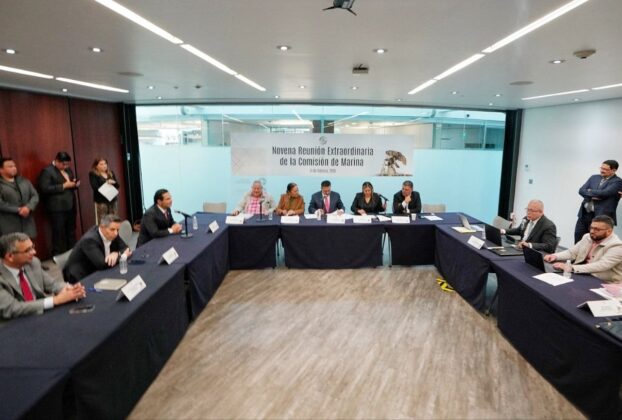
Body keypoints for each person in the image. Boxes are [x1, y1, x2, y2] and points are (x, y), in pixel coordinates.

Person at [0, 232, 86, 319]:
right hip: (14, 321)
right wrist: (56, 300)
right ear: (10, 256)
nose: (34, 252)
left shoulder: (33, 262)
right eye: (27, 250)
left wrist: (69, 289)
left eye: (32, 247)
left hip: (40, 313)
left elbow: (53, 284)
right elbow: (12, 308)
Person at [544, 215, 622, 283]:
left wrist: (571, 267)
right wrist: (555, 256)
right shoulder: (587, 237)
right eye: (591, 228)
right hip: (582, 273)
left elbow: (601, 265)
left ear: (609, 231)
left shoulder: (617, 246)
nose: (592, 231)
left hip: (603, 282)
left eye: (597, 229)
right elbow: (572, 253)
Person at [63, 215, 131, 284]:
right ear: (102, 227)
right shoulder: (89, 240)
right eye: (112, 229)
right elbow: (103, 264)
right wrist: (123, 255)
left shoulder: (113, 233)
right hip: (81, 275)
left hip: (96, 268)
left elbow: (126, 248)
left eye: (118, 230)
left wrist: (117, 254)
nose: (116, 233)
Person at [38, 152, 80, 255]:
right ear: (56, 161)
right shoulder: (47, 171)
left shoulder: (68, 170)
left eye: (67, 164)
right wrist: (63, 186)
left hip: (70, 204)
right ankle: (58, 254)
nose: (66, 166)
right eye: (63, 164)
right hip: (57, 208)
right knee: (58, 232)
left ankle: (73, 252)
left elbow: (70, 183)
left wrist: (75, 184)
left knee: (71, 230)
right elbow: (44, 188)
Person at [574, 160, 622, 243]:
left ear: (613, 170)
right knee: (578, 237)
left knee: (594, 241)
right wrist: (593, 195)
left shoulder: (618, 182)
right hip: (584, 214)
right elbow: (581, 190)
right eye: (601, 168)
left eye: (605, 169)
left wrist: (589, 191)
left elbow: (605, 193)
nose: (602, 170)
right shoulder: (594, 177)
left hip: (601, 216)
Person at [0, 157, 39, 238]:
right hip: (10, 226)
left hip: (27, 224)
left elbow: (35, 196)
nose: (14, 168)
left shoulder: (23, 180)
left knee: (30, 244)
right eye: (10, 166)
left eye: (14, 166)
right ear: (1, 170)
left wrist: (28, 207)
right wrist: (18, 210)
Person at [89, 157, 119, 225]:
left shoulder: (111, 173)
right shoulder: (93, 174)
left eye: (105, 163)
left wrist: (114, 182)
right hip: (101, 201)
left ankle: (114, 231)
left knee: (114, 219)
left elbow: (117, 186)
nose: (104, 165)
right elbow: (95, 187)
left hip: (113, 200)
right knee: (103, 221)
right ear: (96, 166)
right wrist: (106, 183)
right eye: (101, 164)